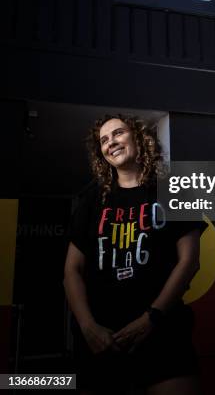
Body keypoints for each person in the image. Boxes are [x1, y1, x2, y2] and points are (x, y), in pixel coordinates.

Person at [64, 114, 207, 395]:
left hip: (163, 337)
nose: (111, 143)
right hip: (103, 341)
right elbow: (72, 270)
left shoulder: (174, 189)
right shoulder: (92, 199)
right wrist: (88, 326)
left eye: (118, 133)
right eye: (103, 140)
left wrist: (151, 318)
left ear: (139, 138)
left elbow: (189, 260)